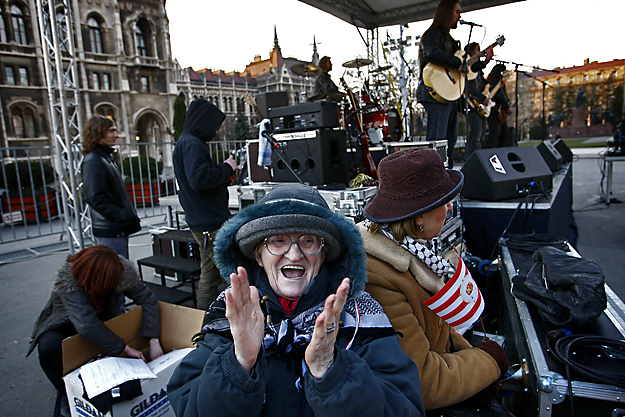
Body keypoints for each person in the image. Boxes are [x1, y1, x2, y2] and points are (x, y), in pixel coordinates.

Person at [167, 183, 426, 416]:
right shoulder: (233, 315)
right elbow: (189, 406)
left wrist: (332, 372)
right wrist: (239, 363)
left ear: (324, 254)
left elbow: (405, 407)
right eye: (278, 241)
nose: (294, 255)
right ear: (258, 255)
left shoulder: (360, 318)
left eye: (308, 241)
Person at [358, 148, 509, 412]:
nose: (450, 207)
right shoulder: (377, 278)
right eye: (443, 202)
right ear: (419, 217)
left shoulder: (409, 248)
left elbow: (441, 329)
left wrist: (474, 358)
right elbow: (423, 383)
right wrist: (489, 362)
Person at [27, 245, 163, 416]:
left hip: (103, 322)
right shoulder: (70, 279)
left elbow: (148, 300)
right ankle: (63, 392)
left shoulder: (120, 272)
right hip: (64, 324)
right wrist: (124, 348)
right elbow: (86, 324)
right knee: (48, 348)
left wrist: (153, 339)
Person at [173, 98, 237, 311]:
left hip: (202, 219)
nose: (216, 132)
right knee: (211, 274)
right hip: (208, 221)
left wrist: (220, 178)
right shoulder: (192, 143)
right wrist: (226, 168)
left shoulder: (186, 142)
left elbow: (198, 179)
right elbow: (198, 179)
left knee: (214, 271)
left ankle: (213, 316)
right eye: (215, 127)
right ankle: (204, 322)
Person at [82, 115, 141, 259]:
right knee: (116, 273)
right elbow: (94, 197)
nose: (116, 135)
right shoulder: (94, 160)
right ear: (98, 134)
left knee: (121, 270)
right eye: (111, 131)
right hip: (110, 229)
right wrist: (120, 215)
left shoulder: (104, 157)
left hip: (115, 228)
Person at [417, 0, 463, 168]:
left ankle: (448, 178)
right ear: (447, 12)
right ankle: (433, 179)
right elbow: (432, 52)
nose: (459, 16)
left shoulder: (450, 39)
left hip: (449, 94)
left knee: (450, 139)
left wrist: (483, 60)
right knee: (438, 140)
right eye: (457, 11)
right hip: (435, 92)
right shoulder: (432, 34)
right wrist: (456, 62)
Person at [465, 41, 494, 158]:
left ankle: (479, 160)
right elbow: (470, 88)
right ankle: (471, 160)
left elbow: (482, 86)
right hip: (472, 105)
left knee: (481, 136)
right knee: (475, 136)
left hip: (479, 106)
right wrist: (482, 98)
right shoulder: (468, 69)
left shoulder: (478, 72)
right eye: (477, 50)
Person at [484, 64, 514, 148]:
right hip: (494, 111)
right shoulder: (496, 82)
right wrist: (507, 106)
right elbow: (499, 94)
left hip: (497, 112)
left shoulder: (492, 80)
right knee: (495, 134)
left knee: (503, 134)